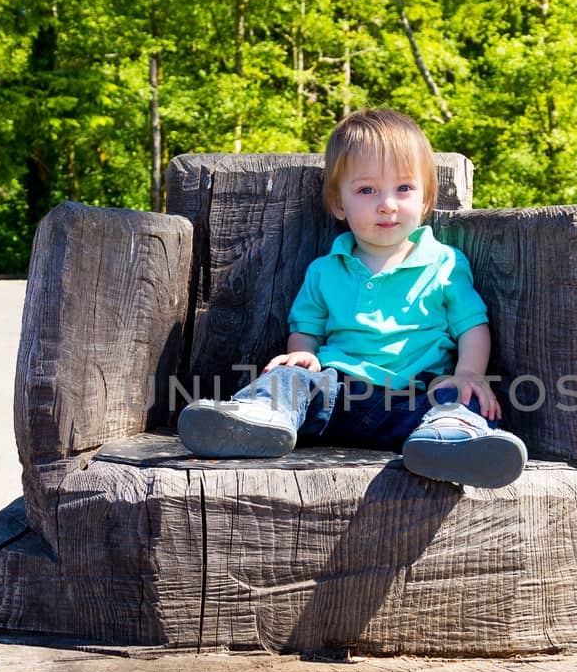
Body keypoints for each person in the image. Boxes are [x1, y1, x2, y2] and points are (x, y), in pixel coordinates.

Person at [177, 108, 527, 488]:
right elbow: (306, 328)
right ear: (339, 204)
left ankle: (450, 441)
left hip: (415, 396)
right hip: (338, 392)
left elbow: (471, 325)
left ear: (426, 198)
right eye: (367, 190)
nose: (387, 204)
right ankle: (259, 421)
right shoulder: (326, 270)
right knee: (288, 376)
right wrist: (304, 352)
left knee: (459, 395)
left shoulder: (443, 263)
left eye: (404, 188)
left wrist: (469, 372)